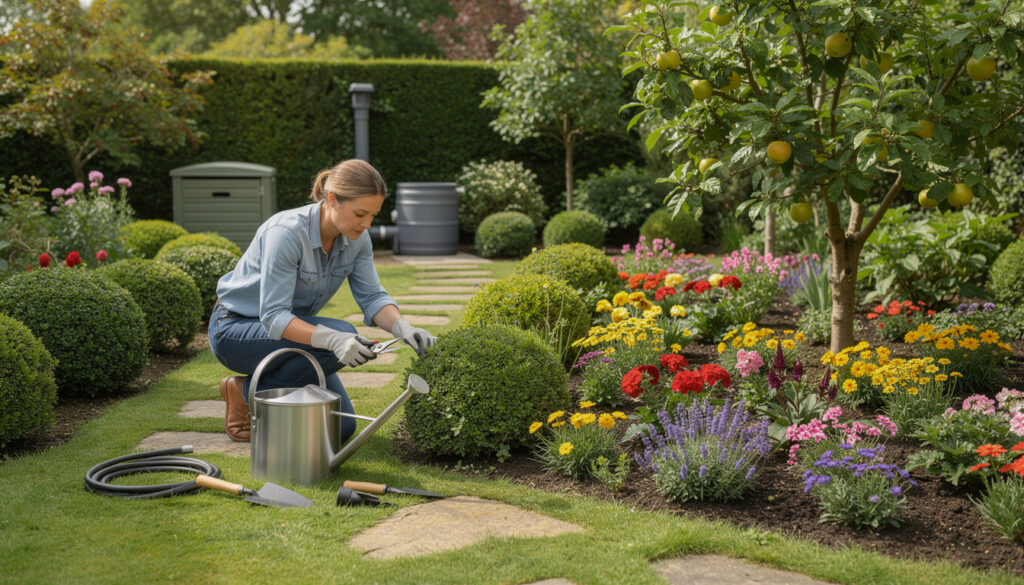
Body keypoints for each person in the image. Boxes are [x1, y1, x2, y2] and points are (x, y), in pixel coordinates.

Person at [208, 159, 436, 442]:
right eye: (360, 214)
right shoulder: (286, 234)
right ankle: (246, 395)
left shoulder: (358, 239)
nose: (366, 225)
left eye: (373, 216)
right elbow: (274, 317)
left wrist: (403, 328)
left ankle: (253, 393)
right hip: (236, 330)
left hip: (293, 333)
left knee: (339, 430)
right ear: (332, 199)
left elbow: (373, 296)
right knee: (341, 335)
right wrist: (334, 340)